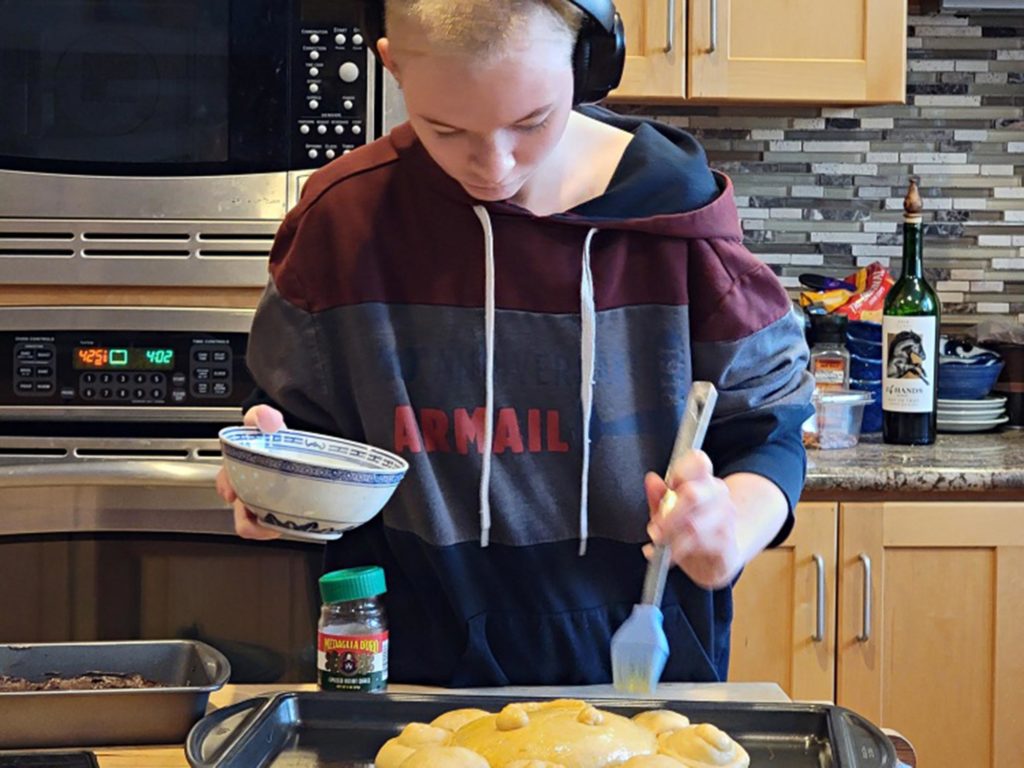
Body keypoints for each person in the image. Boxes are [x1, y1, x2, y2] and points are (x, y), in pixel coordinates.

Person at [216, 0, 814, 687]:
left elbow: (771, 432)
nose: (492, 167)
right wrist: (275, 483)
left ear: (586, 66)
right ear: (394, 67)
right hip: (411, 680)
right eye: (445, 129)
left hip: (646, 686)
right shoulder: (341, 225)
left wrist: (732, 525)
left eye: (531, 123)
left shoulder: (681, 219)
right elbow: (296, 428)